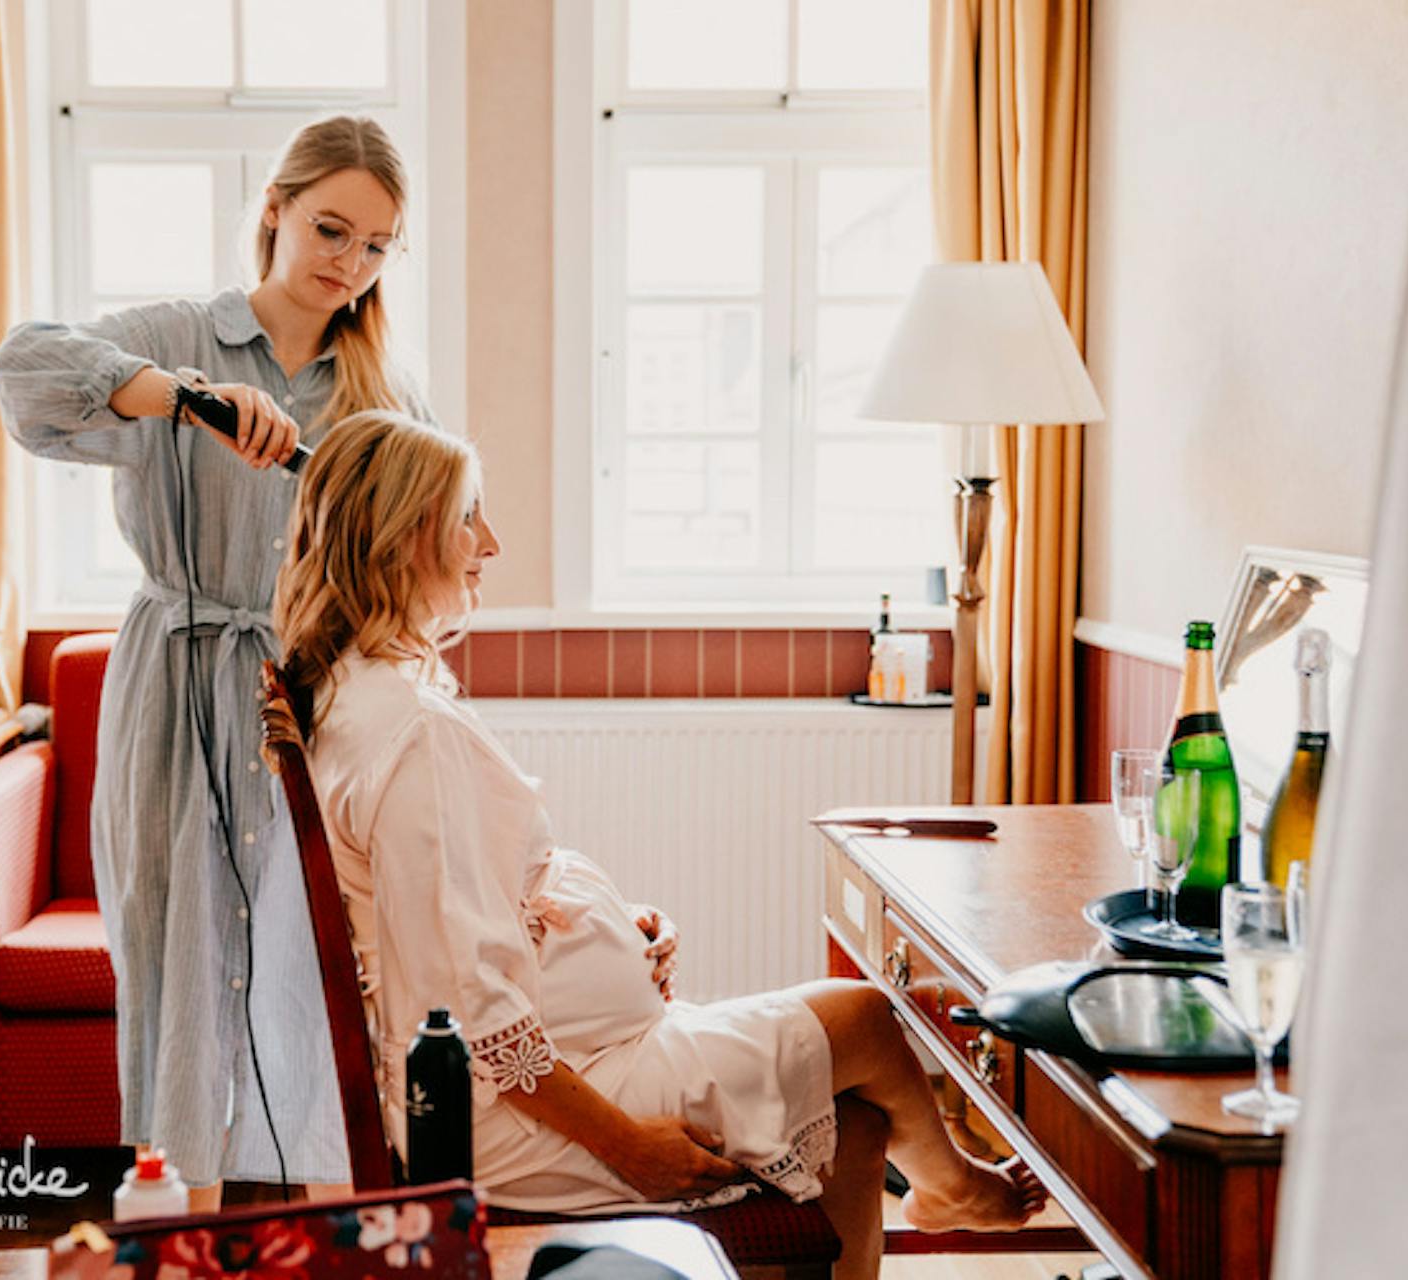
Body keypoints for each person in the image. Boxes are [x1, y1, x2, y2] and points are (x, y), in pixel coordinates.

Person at [274, 413, 1047, 1279]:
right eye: (468, 516)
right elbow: (465, 1006)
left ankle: (941, 1189)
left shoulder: (360, 688)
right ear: (402, 536)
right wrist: (631, 1149)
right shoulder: (409, 731)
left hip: (541, 1067)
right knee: (864, 1018)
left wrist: (601, 926)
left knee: (861, 1123)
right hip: (510, 1117)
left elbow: (452, 908)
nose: (489, 543)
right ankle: (953, 1189)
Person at [0, 116, 437, 1209]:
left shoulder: (384, 388)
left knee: (310, 965)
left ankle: (320, 1227)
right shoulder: (179, 331)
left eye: (377, 246)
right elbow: (26, 367)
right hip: (174, 687)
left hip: (313, 699)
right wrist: (180, 398)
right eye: (331, 227)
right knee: (174, 963)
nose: (349, 261)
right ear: (275, 209)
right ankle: (175, 1219)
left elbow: (431, 541)